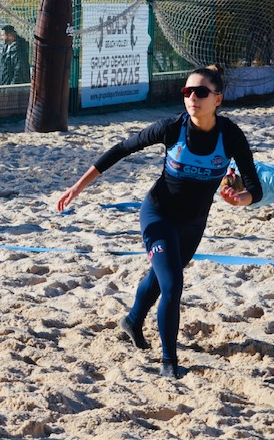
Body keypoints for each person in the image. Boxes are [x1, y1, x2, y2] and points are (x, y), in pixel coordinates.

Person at [57, 67, 263, 379]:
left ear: (218, 99)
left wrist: (239, 199)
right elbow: (121, 149)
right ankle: (169, 362)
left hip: (193, 224)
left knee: (160, 277)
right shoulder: (172, 128)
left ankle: (132, 321)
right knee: (173, 284)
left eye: (201, 92)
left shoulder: (230, 135)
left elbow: (254, 189)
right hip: (158, 215)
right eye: (187, 92)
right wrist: (78, 187)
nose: (192, 97)